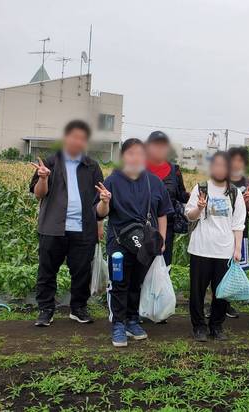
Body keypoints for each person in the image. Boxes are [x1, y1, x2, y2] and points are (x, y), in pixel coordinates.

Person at [96, 138, 173, 347]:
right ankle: (118, 324)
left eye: (140, 153)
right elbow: (100, 213)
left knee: (137, 283)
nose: (135, 158)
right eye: (131, 153)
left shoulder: (154, 182)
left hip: (144, 244)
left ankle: (132, 320)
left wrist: (162, 240)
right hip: (119, 244)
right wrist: (104, 201)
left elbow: (163, 213)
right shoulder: (112, 181)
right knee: (119, 283)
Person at [29, 120, 104, 327]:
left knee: (81, 272)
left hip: (83, 228)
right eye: (74, 137)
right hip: (53, 227)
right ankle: (46, 310)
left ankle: (78, 308)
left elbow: (99, 199)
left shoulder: (91, 166)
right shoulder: (49, 163)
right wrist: (43, 178)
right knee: (47, 271)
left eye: (82, 138)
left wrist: (99, 225)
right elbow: (39, 194)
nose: (78, 142)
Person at [185, 151, 246, 342]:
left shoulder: (235, 193)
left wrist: (237, 250)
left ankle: (217, 326)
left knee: (222, 292)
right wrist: (199, 208)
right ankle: (199, 327)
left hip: (224, 251)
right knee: (197, 292)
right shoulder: (200, 188)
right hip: (200, 249)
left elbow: (238, 224)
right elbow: (189, 216)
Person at [146, 130, 190, 266]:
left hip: (167, 225)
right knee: (143, 263)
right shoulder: (139, 168)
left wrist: (194, 195)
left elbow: (181, 195)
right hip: (143, 224)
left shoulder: (174, 170)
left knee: (164, 264)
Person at [225, 146, 249, 319]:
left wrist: (246, 202)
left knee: (235, 266)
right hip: (222, 231)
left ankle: (227, 303)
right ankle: (216, 302)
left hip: (240, 230)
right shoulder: (221, 180)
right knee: (219, 267)